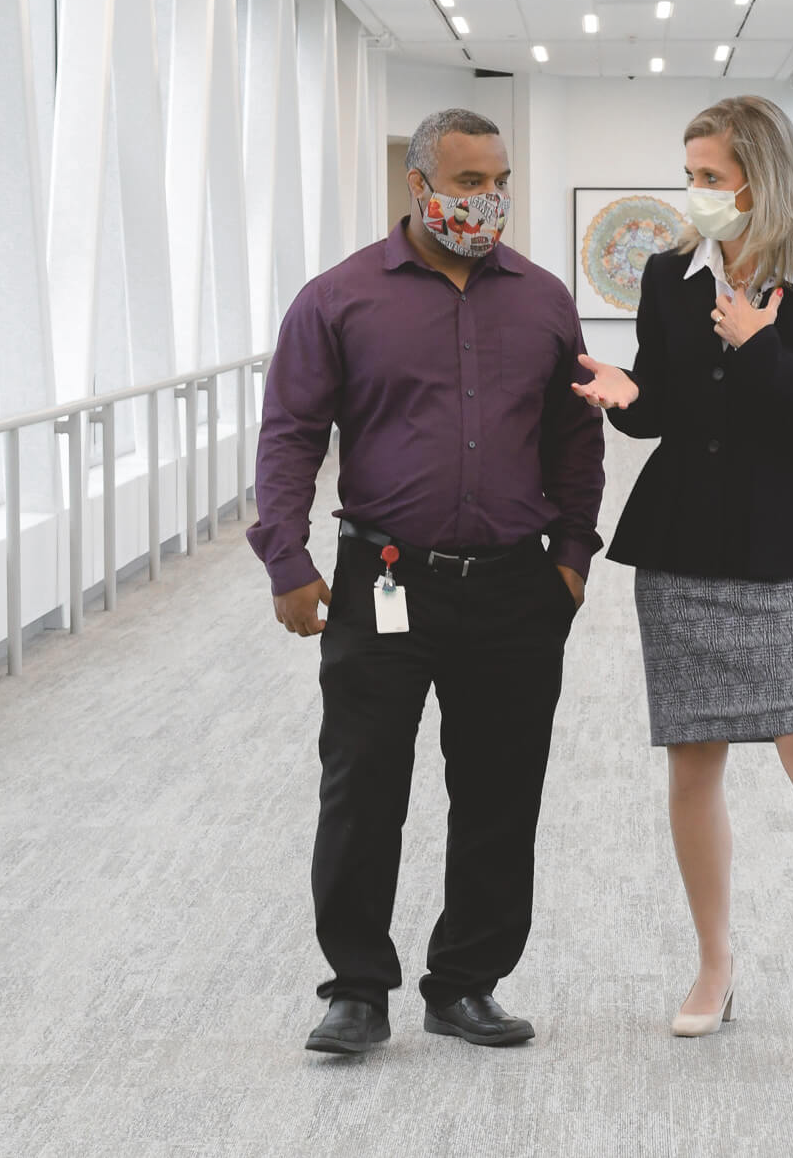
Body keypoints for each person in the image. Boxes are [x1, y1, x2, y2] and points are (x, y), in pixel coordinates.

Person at [250, 108, 604, 1055]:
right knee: (364, 784)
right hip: (384, 578)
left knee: (498, 789)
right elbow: (290, 433)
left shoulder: (541, 299)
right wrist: (286, 556)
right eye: (466, 183)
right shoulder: (340, 298)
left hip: (514, 588)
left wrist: (572, 560)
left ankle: (466, 982)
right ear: (419, 187)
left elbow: (576, 437)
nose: (486, 201)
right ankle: (357, 988)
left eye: (499, 182)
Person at [572, 95, 793, 1053]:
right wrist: (625, 399)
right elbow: (663, 401)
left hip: (786, 545)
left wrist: (759, 345)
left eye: (711, 176)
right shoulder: (671, 277)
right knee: (694, 760)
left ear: (761, 175)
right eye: (692, 175)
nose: (696, 193)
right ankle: (715, 961)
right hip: (683, 547)